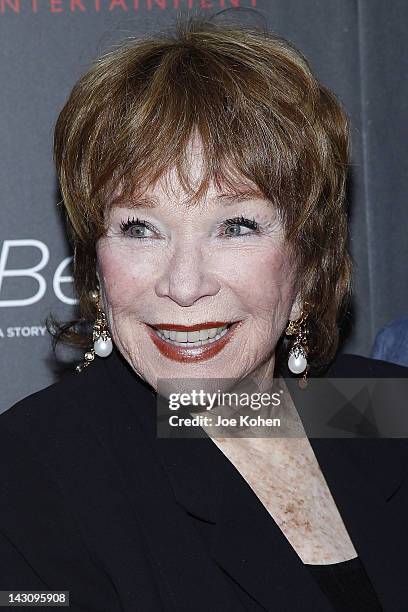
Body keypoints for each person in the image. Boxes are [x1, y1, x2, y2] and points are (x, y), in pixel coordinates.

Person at [1, 13, 407, 612]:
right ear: (95, 257)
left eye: (235, 226)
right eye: (140, 229)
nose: (184, 286)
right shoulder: (32, 470)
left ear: (308, 259)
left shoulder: (377, 407)